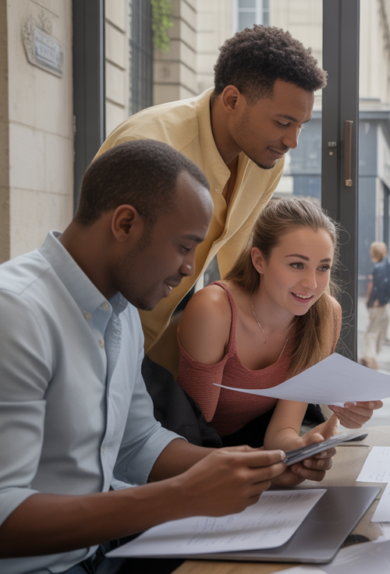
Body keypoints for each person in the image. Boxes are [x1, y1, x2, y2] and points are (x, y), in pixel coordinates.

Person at [0, 141, 331, 574]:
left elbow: (137, 441)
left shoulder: (122, 312)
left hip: (98, 554)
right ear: (125, 223)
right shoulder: (9, 312)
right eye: (185, 247)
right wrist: (181, 496)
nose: (190, 269)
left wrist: (256, 468)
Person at [94, 26, 326, 380]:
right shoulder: (150, 145)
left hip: (163, 350)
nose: (292, 141)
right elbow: (98, 268)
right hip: (101, 345)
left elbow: (242, 269)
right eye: (283, 122)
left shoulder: (266, 160)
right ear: (232, 100)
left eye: (302, 125)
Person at [176, 197, 382, 449]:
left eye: (323, 267)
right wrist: (269, 460)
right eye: (297, 265)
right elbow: (193, 435)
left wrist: (308, 445)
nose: (312, 284)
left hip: (258, 447)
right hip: (201, 453)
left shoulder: (325, 314)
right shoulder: (214, 310)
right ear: (259, 261)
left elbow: (282, 431)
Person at [361, 241, 390, 370]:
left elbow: (373, 287)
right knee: (380, 332)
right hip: (386, 305)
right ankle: (371, 357)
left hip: (377, 306)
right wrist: (385, 300)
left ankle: (370, 361)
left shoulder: (377, 268)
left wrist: (371, 301)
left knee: (370, 333)